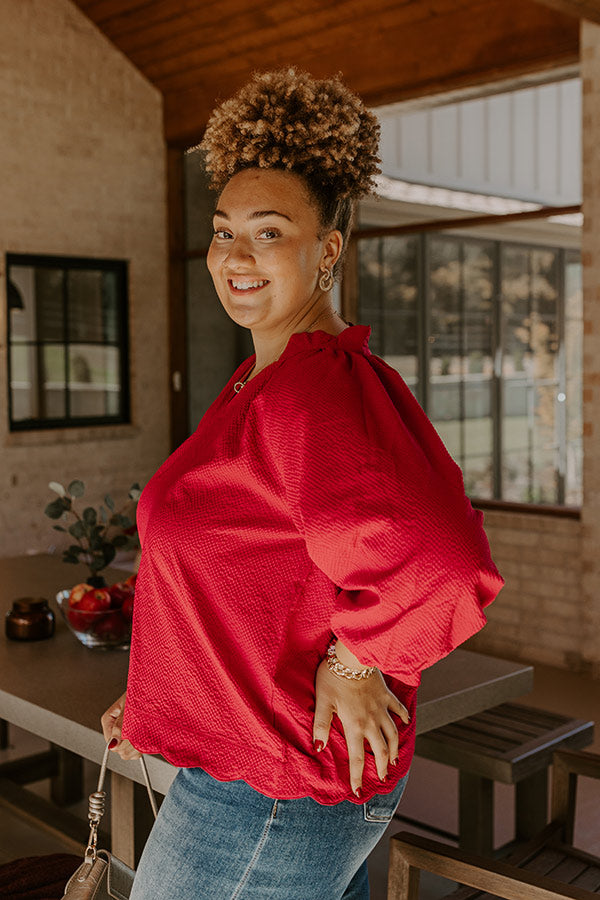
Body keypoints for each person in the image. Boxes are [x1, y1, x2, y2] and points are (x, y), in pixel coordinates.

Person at [101, 68, 504, 899]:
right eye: (222, 232)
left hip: (273, 788)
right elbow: (254, 573)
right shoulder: (260, 383)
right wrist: (155, 695)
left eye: (269, 232)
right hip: (258, 767)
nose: (233, 257)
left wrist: (358, 665)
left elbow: (440, 563)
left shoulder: (311, 389)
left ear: (328, 250)